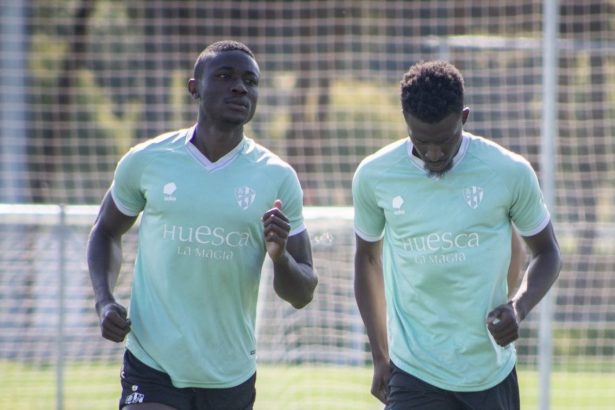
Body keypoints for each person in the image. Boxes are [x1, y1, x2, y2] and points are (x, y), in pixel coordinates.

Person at [87, 40, 318, 410]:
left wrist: (280, 258)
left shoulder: (277, 177)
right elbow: (105, 230)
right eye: (225, 76)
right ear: (194, 88)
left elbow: (303, 292)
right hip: (152, 365)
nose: (240, 87)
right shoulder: (148, 160)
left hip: (230, 373)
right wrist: (105, 301)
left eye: (250, 81)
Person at [352, 60, 561, 409]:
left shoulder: (508, 171)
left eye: (444, 141)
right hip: (413, 370)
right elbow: (367, 258)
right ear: (405, 120)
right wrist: (379, 355)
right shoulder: (374, 175)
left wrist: (518, 308)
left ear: (463, 118)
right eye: (421, 141)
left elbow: (548, 252)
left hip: (489, 370)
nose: (434, 153)